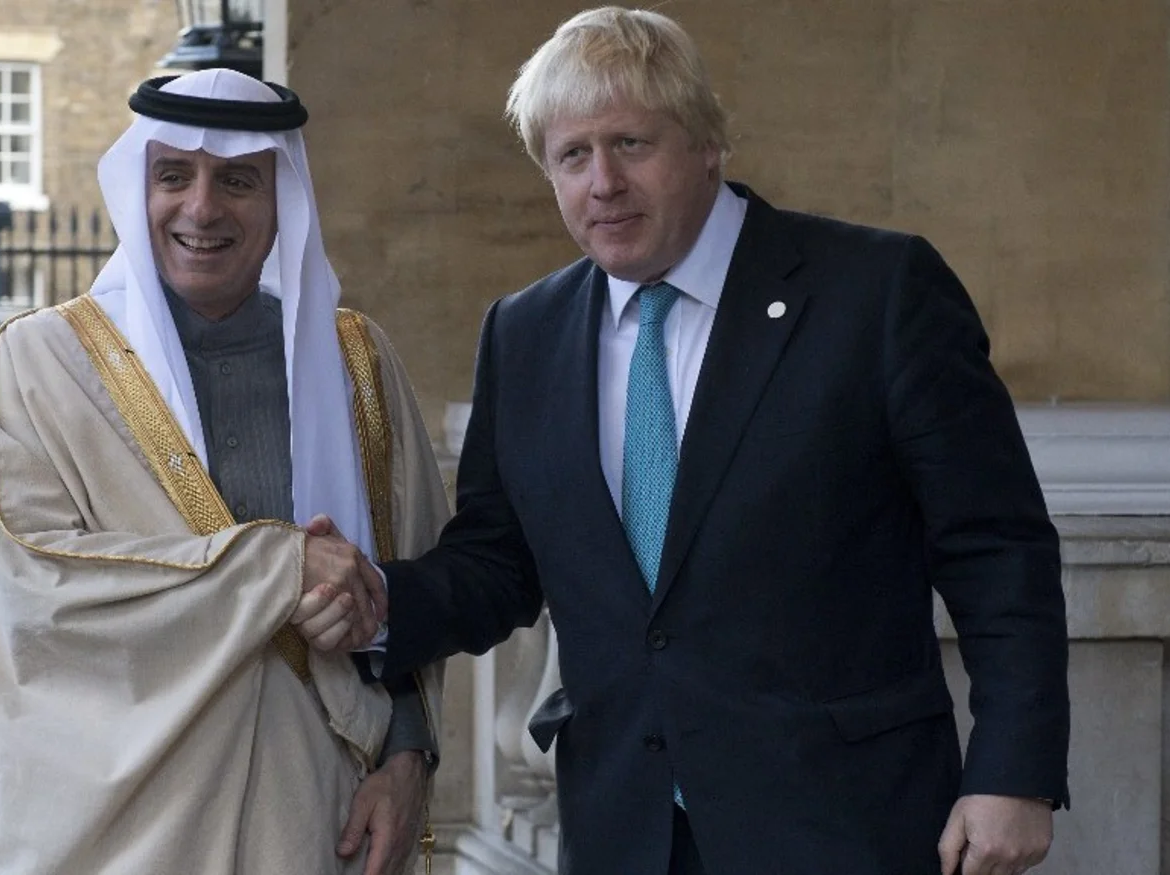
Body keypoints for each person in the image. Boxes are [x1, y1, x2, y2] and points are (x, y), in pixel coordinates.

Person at [297, 7, 1070, 875]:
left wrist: (1015, 772)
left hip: (843, 823)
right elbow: (500, 560)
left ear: (708, 143)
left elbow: (995, 544)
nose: (603, 183)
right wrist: (381, 601)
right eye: (572, 156)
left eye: (631, 143)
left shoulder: (876, 294)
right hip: (625, 828)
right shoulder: (525, 332)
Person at [0, 68, 450, 875]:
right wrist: (275, 569)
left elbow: (414, 596)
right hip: (122, 838)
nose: (202, 208)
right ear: (135, 188)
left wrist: (407, 761)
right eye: (173, 175)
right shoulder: (43, 365)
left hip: (317, 827)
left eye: (239, 181)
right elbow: (37, 603)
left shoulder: (356, 363)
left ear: (283, 198)